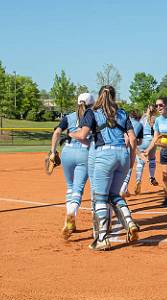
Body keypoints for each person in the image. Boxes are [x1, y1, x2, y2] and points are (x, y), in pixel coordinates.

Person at [70, 85, 139, 251]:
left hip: (104, 155)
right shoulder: (122, 113)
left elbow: (82, 135)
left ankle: (102, 238)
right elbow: (133, 139)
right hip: (122, 155)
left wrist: (69, 134)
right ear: (114, 97)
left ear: (99, 96)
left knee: (100, 198)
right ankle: (129, 222)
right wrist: (130, 161)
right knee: (114, 195)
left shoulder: (92, 112)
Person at [50, 92, 95, 240]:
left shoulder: (68, 117)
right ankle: (71, 213)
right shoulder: (92, 116)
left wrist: (52, 151)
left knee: (70, 187)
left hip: (67, 153)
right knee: (78, 189)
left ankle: (69, 222)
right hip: (84, 153)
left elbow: (57, 132)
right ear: (91, 104)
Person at [141, 97, 167, 210]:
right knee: (165, 176)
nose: (158, 107)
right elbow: (155, 138)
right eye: (156, 105)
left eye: (160, 105)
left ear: (166, 105)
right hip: (164, 149)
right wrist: (148, 150)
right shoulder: (158, 120)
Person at [132, 105, 160, 195]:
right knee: (152, 159)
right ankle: (152, 177)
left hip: (141, 140)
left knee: (140, 163)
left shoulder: (142, 118)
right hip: (151, 140)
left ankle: (138, 180)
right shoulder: (154, 118)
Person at [118, 111, 144, 199]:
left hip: (117, 147)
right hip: (129, 148)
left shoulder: (122, 120)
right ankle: (123, 188)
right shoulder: (140, 125)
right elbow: (138, 142)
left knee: (117, 172)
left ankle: (124, 189)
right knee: (128, 169)